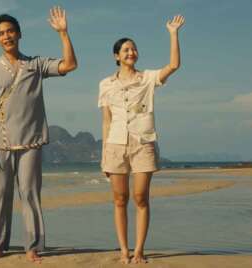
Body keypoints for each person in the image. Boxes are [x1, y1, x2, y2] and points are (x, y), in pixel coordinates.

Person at [0, 7, 77, 263]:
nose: (6, 36)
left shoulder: (36, 64)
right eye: (1, 33)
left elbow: (70, 65)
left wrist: (63, 33)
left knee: (30, 194)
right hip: (0, 140)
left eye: (10, 31)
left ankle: (32, 246)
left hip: (31, 139)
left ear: (19, 34)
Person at [99, 15, 185, 264]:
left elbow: (174, 65)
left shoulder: (147, 78)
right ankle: (124, 250)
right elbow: (106, 120)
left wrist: (173, 33)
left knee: (140, 198)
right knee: (119, 199)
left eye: (134, 48)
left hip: (143, 143)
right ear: (116, 56)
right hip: (115, 144)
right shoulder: (105, 84)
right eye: (126, 49)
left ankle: (139, 251)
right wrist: (104, 154)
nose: (131, 52)